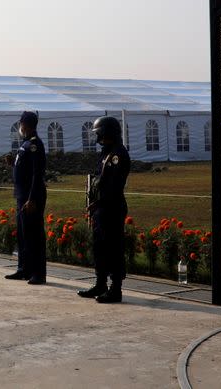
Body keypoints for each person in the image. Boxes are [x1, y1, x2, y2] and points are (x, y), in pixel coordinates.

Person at [78, 116, 131, 304]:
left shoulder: (118, 154)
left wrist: (98, 203)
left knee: (114, 248)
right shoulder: (105, 153)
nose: (98, 137)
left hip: (112, 207)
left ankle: (115, 288)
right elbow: (98, 180)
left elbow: (114, 186)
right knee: (99, 247)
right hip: (100, 208)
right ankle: (100, 283)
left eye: (99, 132)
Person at [4, 111, 47, 285]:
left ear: (26, 125)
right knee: (23, 235)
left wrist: (32, 199)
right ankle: (23, 269)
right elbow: (25, 167)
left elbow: (37, 174)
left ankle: (38, 273)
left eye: (21, 124)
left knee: (34, 236)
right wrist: (12, 162)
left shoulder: (35, 145)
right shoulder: (26, 143)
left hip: (31, 197)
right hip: (21, 196)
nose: (20, 127)